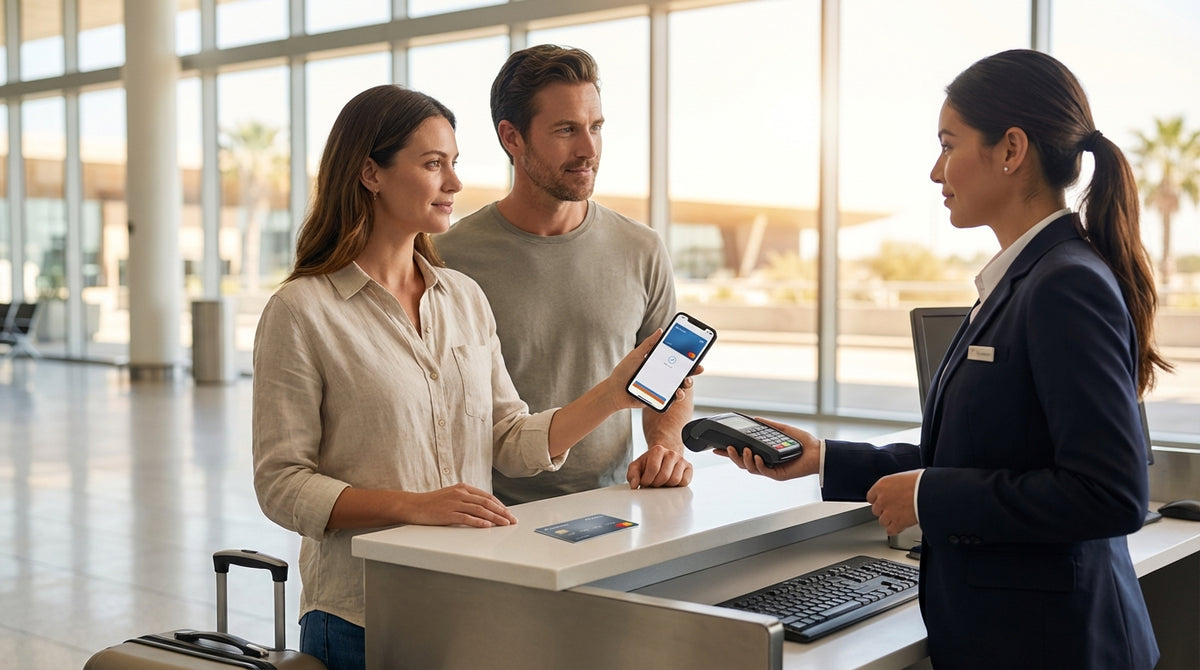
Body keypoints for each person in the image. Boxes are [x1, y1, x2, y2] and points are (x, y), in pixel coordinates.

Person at [719, 49, 1171, 670]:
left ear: (1010, 150)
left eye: (948, 143)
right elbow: (984, 453)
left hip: (1056, 646)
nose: (936, 171)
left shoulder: (1065, 283)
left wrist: (931, 497)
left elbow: (1109, 493)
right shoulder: (1025, 279)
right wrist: (824, 460)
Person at [251, 84, 691, 670]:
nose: (454, 183)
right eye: (433, 164)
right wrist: (411, 506)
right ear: (370, 173)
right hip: (362, 612)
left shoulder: (462, 296)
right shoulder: (302, 311)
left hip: (468, 602)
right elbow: (281, 484)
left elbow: (508, 438)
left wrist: (613, 394)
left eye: (454, 163)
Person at [436, 44, 694, 505]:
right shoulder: (447, 257)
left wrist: (665, 446)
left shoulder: (642, 248)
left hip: (614, 505)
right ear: (512, 138)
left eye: (596, 127)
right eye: (566, 130)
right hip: (488, 514)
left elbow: (669, 378)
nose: (588, 148)